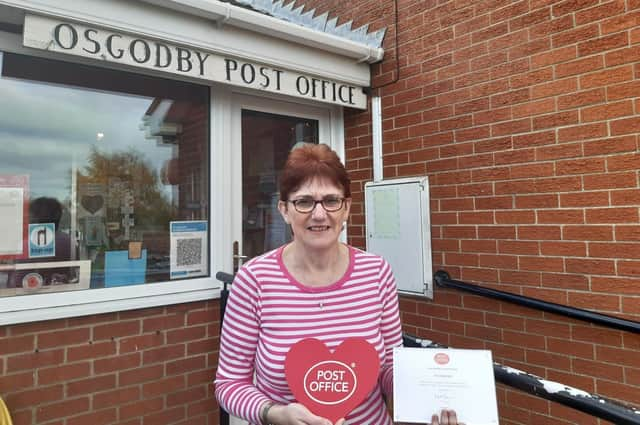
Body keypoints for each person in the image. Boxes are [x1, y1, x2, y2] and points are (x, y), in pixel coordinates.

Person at [215, 143, 462, 425]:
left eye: (331, 201)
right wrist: (273, 413)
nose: (319, 215)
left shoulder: (377, 273)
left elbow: (391, 367)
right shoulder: (254, 280)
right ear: (284, 210)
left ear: (346, 209)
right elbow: (230, 383)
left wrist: (434, 396)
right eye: (304, 201)